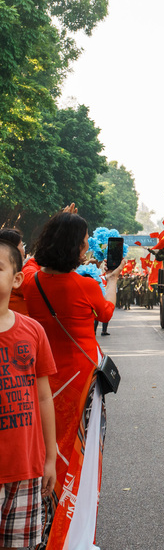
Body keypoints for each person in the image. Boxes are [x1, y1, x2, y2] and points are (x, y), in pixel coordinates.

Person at [21, 211, 125, 548]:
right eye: (82, 244)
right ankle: (71, 533)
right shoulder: (84, 285)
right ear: (71, 248)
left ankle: (45, 527)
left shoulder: (31, 281)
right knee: (81, 455)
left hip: (45, 381)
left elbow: (32, 267)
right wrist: (112, 278)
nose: (85, 250)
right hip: (82, 384)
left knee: (48, 451)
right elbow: (107, 312)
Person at [0, 236, 57, 550]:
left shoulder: (33, 331)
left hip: (25, 467)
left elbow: (44, 396)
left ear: (17, 278)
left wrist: (50, 457)